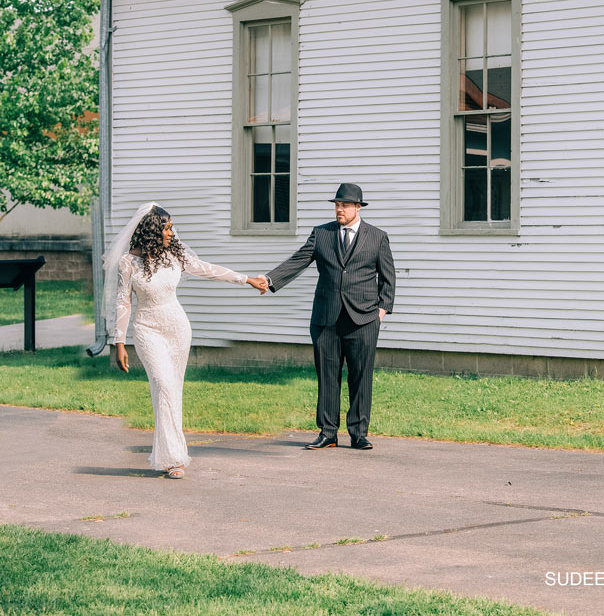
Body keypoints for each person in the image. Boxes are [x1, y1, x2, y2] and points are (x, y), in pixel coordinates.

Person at [104, 202, 267, 478]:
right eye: (166, 228)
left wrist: (247, 279)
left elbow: (208, 269)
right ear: (152, 231)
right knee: (163, 384)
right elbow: (123, 303)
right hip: (147, 329)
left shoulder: (175, 256)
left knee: (172, 390)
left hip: (177, 328)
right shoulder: (127, 263)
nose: (171, 233)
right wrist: (119, 342)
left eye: (171, 227)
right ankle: (171, 455)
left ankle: (173, 457)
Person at [254, 183, 395, 450]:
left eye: (344, 205)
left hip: (364, 319)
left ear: (357, 207)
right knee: (327, 376)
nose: (339, 209)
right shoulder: (322, 234)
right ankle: (328, 432)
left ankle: (359, 433)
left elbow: (388, 276)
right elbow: (299, 260)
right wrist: (270, 280)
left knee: (360, 377)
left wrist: (382, 310)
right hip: (326, 318)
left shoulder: (377, 237)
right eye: (337, 205)